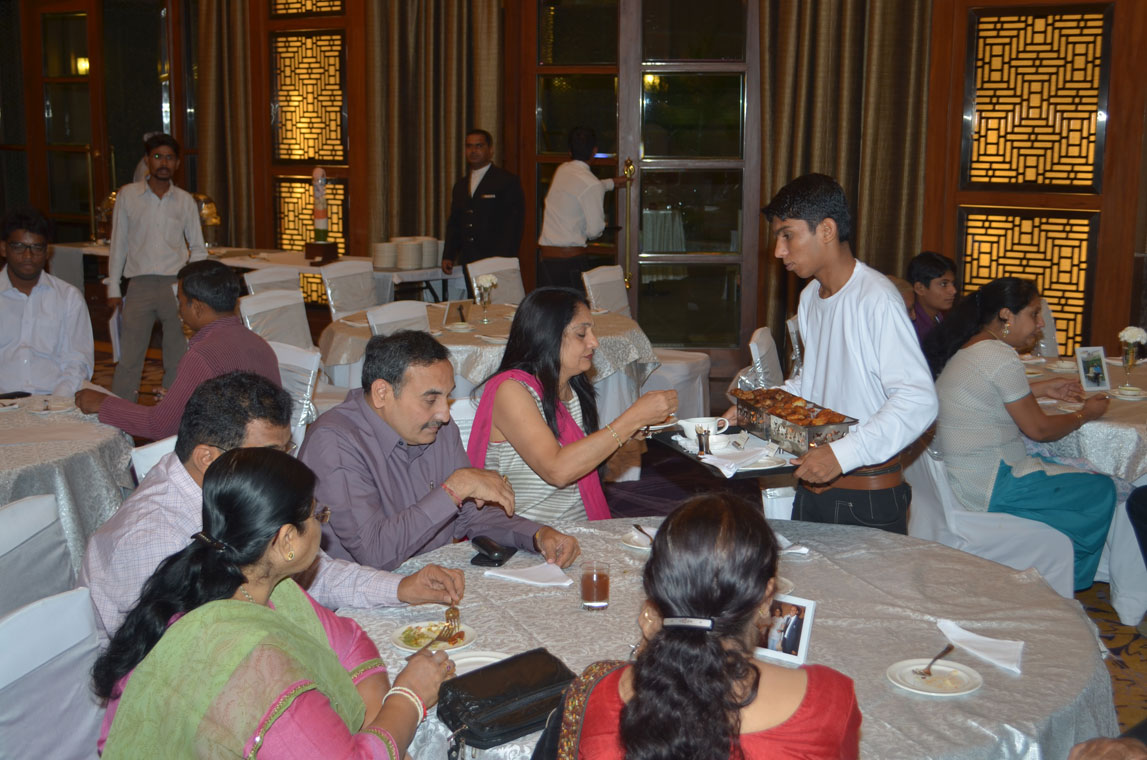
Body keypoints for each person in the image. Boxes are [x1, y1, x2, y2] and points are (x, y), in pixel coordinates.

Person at [93, 447, 453, 758]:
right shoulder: (253, 666)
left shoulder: (251, 586)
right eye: (316, 515)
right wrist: (408, 697)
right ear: (286, 540)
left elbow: (351, 642)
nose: (321, 525)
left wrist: (374, 722)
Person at [80, 371, 463, 643]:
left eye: (285, 450)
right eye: (268, 454)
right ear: (207, 458)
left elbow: (313, 571)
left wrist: (400, 587)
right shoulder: (153, 540)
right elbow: (184, 665)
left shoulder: (241, 493)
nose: (285, 466)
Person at [561, 493, 861, 760]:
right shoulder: (831, 700)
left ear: (656, 592)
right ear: (767, 596)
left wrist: (646, 647)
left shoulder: (598, 692)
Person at [299, 330, 581, 571]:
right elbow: (374, 552)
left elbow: (472, 516)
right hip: (354, 601)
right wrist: (453, 489)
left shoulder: (436, 430)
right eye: (430, 399)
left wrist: (537, 535)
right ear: (382, 393)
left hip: (430, 580)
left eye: (447, 397)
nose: (445, 414)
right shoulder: (335, 442)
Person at [763, 173, 938, 534]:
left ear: (826, 230)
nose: (779, 251)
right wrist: (762, 405)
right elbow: (815, 383)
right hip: (814, 482)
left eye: (787, 235)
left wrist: (842, 454)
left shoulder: (876, 298)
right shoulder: (810, 297)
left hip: (865, 497)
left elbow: (918, 400)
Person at [925, 276, 1115, 590]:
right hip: (989, 483)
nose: (1041, 323)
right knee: (1100, 490)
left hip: (964, 474)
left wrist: (1043, 387)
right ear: (1006, 315)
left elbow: (989, 390)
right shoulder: (999, 356)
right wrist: (1085, 415)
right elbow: (1040, 429)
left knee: (1068, 477)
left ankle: (1048, 564)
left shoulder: (975, 346)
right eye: (1034, 313)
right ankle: (1068, 580)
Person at [467, 287, 676, 522]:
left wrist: (627, 435)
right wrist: (631, 419)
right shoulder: (512, 390)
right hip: (528, 533)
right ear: (547, 335)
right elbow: (557, 471)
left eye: (592, 332)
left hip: (574, 527)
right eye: (581, 334)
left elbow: (584, 469)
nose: (594, 342)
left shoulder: (573, 387)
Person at [76, 259, 280, 440]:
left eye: (181, 302)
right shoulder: (259, 344)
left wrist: (103, 403)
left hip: (225, 459)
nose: (179, 310)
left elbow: (159, 426)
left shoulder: (202, 355)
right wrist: (183, 401)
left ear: (197, 307)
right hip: (261, 453)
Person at [107, 132, 208, 400]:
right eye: (157, 156)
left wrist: (191, 286)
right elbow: (118, 244)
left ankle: (172, 410)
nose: (164, 162)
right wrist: (113, 287)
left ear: (177, 163)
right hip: (139, 285)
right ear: (147, 160)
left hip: (176, 286)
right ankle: (121, 414)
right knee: (130, 356)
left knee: (177, 355)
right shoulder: (128, 195)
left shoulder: (185, 200)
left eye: (170, 158)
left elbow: (198, 248)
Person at [0, 206, 93, 395]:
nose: (28, 256)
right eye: (19, 247)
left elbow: (77, 361)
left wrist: (56, 402)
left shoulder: (68, 297)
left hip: (54, 397)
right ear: (3, 248)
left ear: (48, 251)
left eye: (37, 247)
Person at [537, 126, 629, 290]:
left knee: (550, 304)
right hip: (570, 262)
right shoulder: (591, 184)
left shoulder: (562, 170)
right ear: (594, 151)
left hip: (546, 260)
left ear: (569, 152)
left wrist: (611, 183)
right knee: (578, 305)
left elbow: (583, 188)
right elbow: (594, 231)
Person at [441, 129, 524, 294]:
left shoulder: (506, 181)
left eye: (479, 146)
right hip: (470, 258)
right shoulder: (460, 185)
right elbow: (455, 222)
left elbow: (514, 225)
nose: (473, 151)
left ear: (490, 150)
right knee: (476, 303)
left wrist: (502, 260)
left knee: (496, 303)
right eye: (469, 146)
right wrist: (448, 254)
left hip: (496, 258)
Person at [906, 251, 958, 345]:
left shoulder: (939, 317)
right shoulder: (911, 325)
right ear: (920, 288)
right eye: (944, 284)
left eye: (953, 283)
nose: (953, 290)